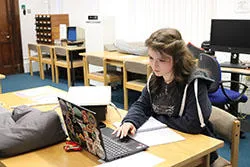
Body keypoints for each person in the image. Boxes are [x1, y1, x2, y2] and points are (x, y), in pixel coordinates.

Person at [113, 28, 223, 165]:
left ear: (177, 60)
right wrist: (130, 121)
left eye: (162, 60)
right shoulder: (155, 77)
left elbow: (193, 124)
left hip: (195, 149)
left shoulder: (195, 82)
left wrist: (155, 118)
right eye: (151, 58)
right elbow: (142, 105)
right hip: (164, 140)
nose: (154, 65)